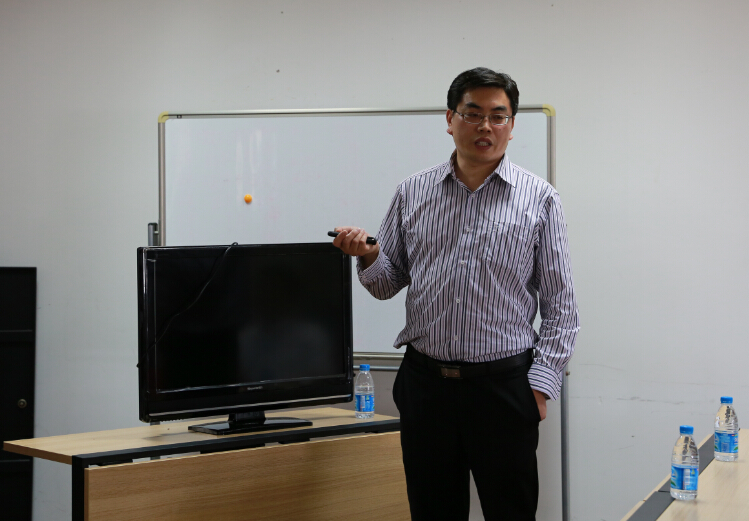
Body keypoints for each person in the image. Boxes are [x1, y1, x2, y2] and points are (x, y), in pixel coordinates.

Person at [332, 67, 579, 521]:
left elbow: (561, 307)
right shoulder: (412, 192)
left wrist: (540, 387)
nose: (486, 126)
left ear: (511, 126)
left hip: (503, 389)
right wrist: (367, 255)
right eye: (473, 113)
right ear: (450, 119)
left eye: (498, 116)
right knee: (432, 512)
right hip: (426, 387)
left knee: (510, 513)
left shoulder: (540, 199)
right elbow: (387, 283)